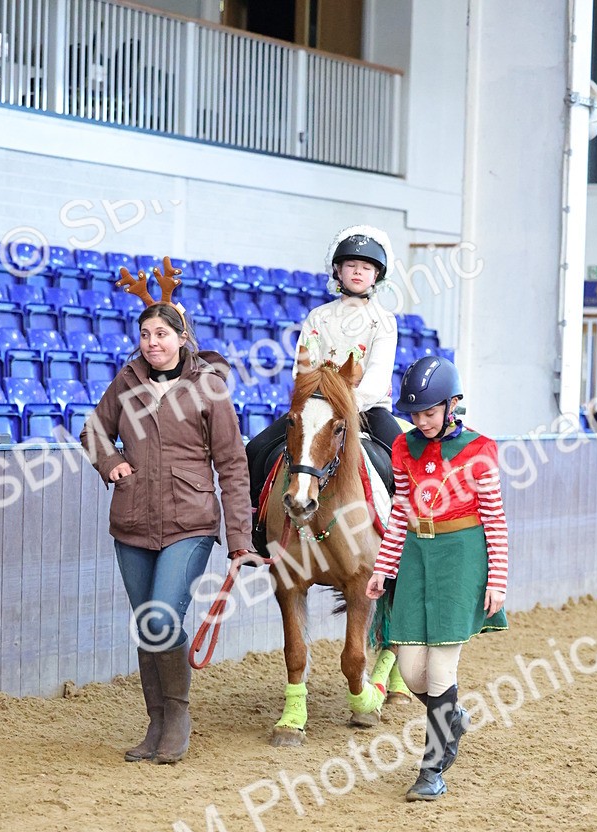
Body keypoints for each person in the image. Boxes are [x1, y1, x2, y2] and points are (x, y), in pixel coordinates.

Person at [80, 301, 252, 765]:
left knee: (161, 620)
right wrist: (111, 462)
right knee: (147, 627)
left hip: (190, 522)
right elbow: (94, 432)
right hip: (132, 521)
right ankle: (155, 719)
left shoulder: (209, 388)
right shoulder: (127, 380)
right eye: (144, 334)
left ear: (181, 337)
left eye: (161, 334)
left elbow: (233, 466)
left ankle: (177, 713)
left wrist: (240, 539)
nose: (152, 343)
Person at [365, 356, 509, 801]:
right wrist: (383, 568)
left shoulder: (479, 450)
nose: (421, 421)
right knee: (412, 672)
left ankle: (432, 769)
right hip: (415, 555)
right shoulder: (405, 448)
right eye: (415, 414)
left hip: (461, 557)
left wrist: (497, 579)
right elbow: (400, 515)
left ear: (453, 405)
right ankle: (453, 718)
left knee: (442, 668)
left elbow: (494, 519)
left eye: (430, 412)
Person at [246, 224, 402, 506]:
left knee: (405, 459)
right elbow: (302, 367)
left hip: (366, 409)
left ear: (376, 275)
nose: (357, 271)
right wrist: (318, 400)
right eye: (350, 265)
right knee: (256, 449)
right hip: (316, 406)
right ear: (338, 272)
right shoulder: (319, 317)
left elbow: (378, 376)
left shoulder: (384, 321)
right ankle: (258, 519)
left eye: (365, 267)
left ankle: (403, 529)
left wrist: (348, 402)